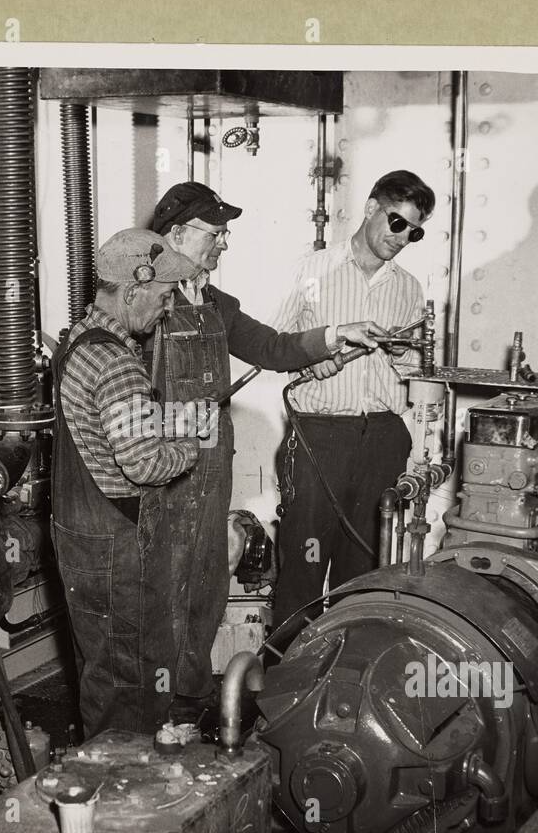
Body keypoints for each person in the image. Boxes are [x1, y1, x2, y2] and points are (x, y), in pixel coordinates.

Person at [148, 181, 389, 722]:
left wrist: (335, 336)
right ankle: (152, 713)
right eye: (216, 233)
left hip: (208, 470)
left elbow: (275, 347)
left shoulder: (213, 303)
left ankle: (187, 707)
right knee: (160, 593)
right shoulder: (146, 305)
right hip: (160, 473)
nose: (224, 244)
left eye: (226, 234)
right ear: (177, 234)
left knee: (206, 586)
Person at [51, 228, 211, 738]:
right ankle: (125, 794)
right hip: (114, 546)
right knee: (129, 681)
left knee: (101, 669)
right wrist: (189, 449)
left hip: (79, 535)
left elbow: (112, 423)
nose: (166, 310)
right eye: (163, 297)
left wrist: (169, 418)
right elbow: (143, 466)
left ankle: (107, 787)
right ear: (132, 289)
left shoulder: (79, 338)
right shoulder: (119, 360)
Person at [269, 169, 436, 629]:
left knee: (364, 570)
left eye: (414, 231)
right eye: (395, 222)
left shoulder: (408, 289)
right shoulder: (312, 270)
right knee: (303, 566)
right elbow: (272, 345)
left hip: (383, 437)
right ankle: (287, 679)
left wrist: (406, 357)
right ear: (369, 208)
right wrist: (310, 360)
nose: (402, 238)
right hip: (321, 435)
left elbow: (412, 374)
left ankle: (345, 678)